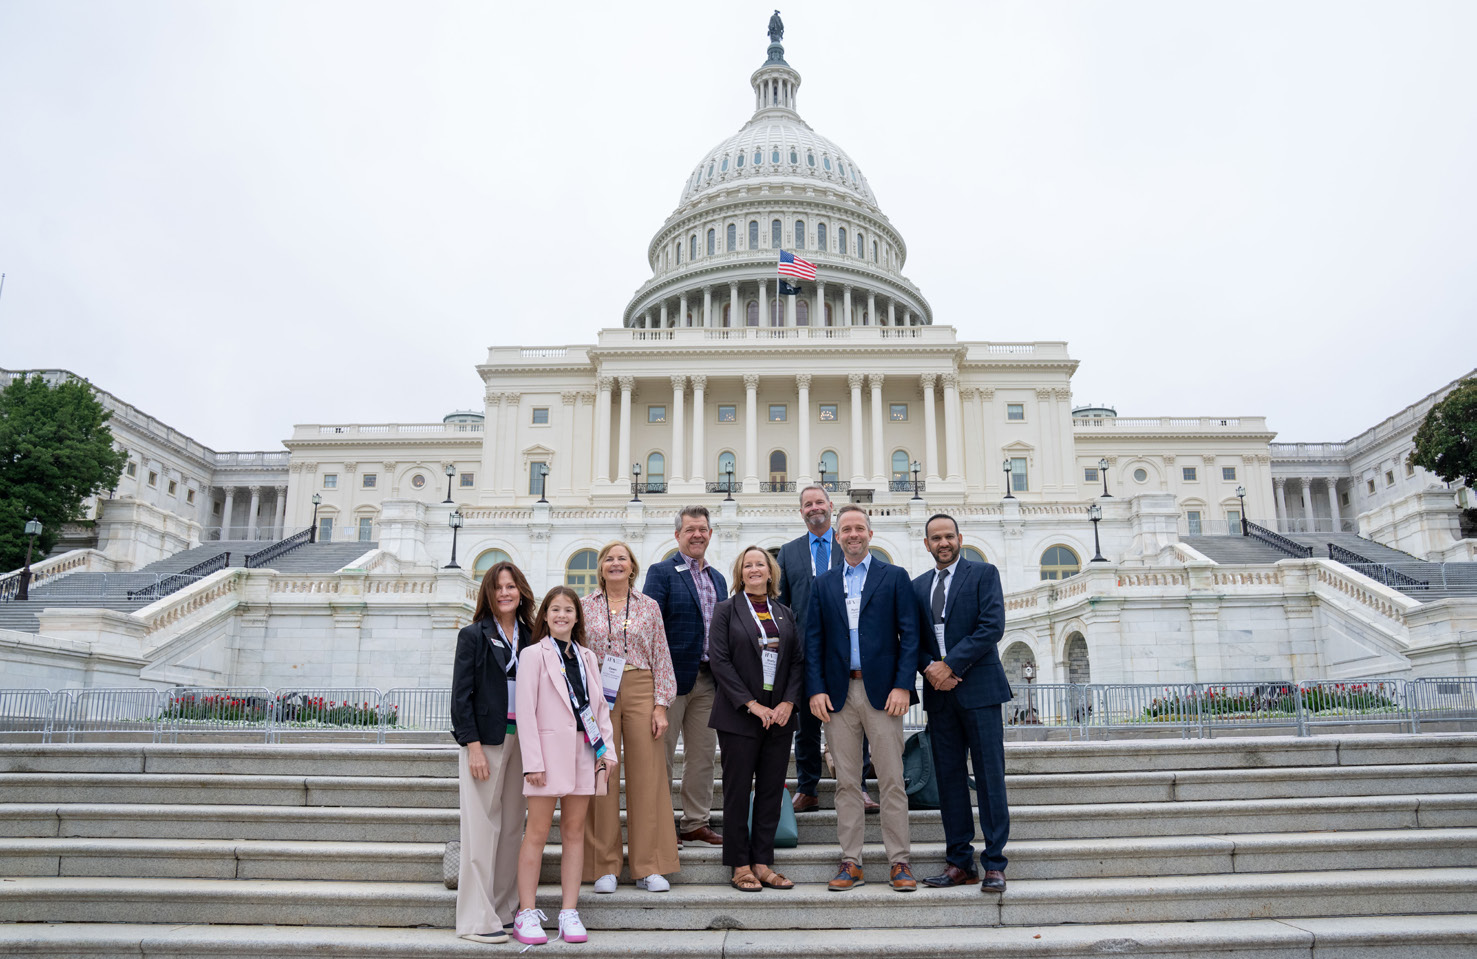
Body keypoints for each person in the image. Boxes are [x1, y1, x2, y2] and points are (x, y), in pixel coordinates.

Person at [805, 504, 921, 892]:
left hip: (884, 694)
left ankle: (899, 862)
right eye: (846, 530)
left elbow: (911, 636)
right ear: (836, 538)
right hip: (838, 696)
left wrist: (904, 685)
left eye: (859, 528)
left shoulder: (894, 577)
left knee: (891, 780)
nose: (853, 535)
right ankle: (850, 861)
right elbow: (814, 642)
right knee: (846, 783)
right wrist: (816, 689)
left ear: (870, 534)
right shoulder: (823, 584)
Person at [512, 587, 618, 946]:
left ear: (577, 616)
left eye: (568, 610)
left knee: (574, 833)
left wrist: (608, 752)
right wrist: (532, 763)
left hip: (584, 751)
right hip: (546, 752)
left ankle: (568, 911)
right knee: (537, 833)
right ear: (545, 615)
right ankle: (526, 912)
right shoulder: (532, 655)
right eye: (555, 609)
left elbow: (598, 707)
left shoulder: (587, 656)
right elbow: (525, 712)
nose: (561, 615)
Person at [913, 514, 1011, 893]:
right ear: (927, 544)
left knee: (989, 779)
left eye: (949, 536)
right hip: (940, 698)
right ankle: (959, 862)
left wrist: (950, 665)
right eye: (936, 538)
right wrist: (930, 668)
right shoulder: (918, 586)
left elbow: (991, 626)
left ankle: (995, 863)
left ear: (960, 538)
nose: (943, 543)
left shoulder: (984, 574)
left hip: (980, 691)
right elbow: (912, 636)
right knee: (950, 781)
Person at [580, 541, 681, 894]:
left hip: (640, 684)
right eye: (609, 558)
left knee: (648, 776)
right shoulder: (584, 606)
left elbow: (661, 654)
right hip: (598, 691)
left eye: (622, 558)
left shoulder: (649, 607)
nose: (615, 563)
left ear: (633, 566)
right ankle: (603, 865)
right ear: (601, 567)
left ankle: (648, 865)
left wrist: (660, 705)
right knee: (602, 772)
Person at [708, 545, 804, 892]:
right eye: (747, 565)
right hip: (740, 716)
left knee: (769, 792)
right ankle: (740, 864)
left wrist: (788, 704)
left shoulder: (784, 612)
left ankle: (762, 863)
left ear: (770, 571)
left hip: (779, 718)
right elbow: (719, 661)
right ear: (740, 573)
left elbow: (796, 662)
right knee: (737, 791)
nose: (754, 570)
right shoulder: (726, 610)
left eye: (759, 564)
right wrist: (752, 704)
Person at [777, 484, 877, 815]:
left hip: (845, 649)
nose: (814, 508)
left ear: (831, 506)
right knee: (804, 724)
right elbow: (782, 605)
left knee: (853, 721)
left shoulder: (847, 545)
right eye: (808, 504)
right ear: (801, 511)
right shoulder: (789, 553)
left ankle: (859, 786)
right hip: (804, 652)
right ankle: (808, 788)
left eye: (820, 502)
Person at [450, 561, 532, 944]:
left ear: (521, 591)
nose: (504, 593)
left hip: (523, 742)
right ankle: (475, 919)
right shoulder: (473, 635)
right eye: (498, 587)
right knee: (482, 830)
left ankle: (502, 910)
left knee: (513, 827)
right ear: (488, 592)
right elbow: (460, 697)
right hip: (486, 742)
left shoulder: (533, 635)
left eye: (511, 586)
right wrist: (473, 747)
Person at [643, 506, 727, 848]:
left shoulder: (718, 578)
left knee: (703, 755)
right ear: (678, 535)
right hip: (670, 680)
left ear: (709, 534)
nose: (697, 534)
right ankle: (661, 823)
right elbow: (649, 625)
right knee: (660, 754)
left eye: (703, 529)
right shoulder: (662, 572)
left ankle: (695, 822)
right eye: (690, 529)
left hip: (709, 680)